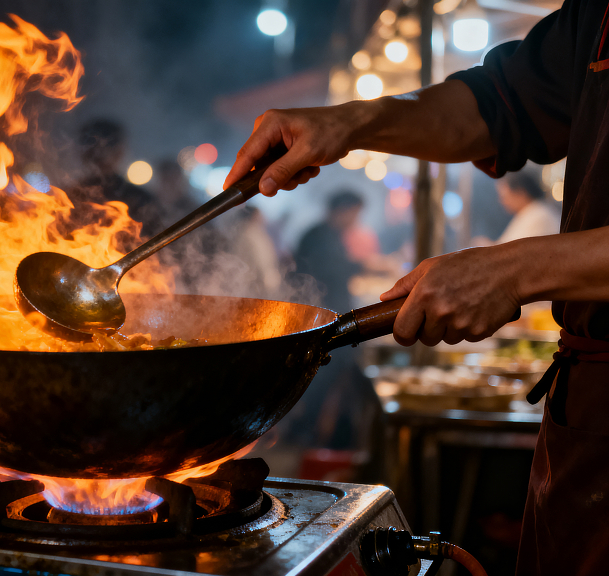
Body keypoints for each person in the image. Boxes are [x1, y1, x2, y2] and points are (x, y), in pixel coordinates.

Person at [223, 2, 609, 572]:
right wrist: (351, 121)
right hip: (589, 413)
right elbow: (496, 104)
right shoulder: (595, 12)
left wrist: (516, 270)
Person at [68, 119, 162, 241]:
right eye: (92, 146)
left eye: (105, 147)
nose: (98, 154)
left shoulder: (139, 199)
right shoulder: (68, 197)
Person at [294, 191, 365, 314]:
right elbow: (331, 270)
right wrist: (364, 266)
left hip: (330, 303)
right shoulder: (318, 236)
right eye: (355, 214)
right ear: (341, 211)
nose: (355, 220)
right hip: (320, 305)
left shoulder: (332, 233)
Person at [495, 173, 560, 244]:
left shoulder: (539, 215)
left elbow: (520, 250)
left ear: (521, 193)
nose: (502, 202)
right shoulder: (527, 213)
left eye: (504, 197)